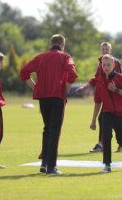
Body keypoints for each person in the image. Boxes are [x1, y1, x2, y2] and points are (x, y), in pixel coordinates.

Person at [20, 34, 77, 175]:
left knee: (47, 129)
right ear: (62, 45)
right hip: (57, 96)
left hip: (43, 98)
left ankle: (45, 162)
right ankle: (51, 167)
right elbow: (72, 74)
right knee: (54, 130)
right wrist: (66, 89)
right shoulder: (65, 56)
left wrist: (35, 87)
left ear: (51, 43)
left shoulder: (40, 57)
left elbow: (24, 72)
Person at [90, 54, 122, 173]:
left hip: (121, 113)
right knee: (106, 137)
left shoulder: (121, 78)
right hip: (107, 113)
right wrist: (93, 121)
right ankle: (107, 165)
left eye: (109, 65)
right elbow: (98, 102)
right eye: (104, 65)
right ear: (101, 66)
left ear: (114, 65)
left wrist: (116, 90)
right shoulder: (100, 82)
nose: (106, 67)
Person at [76, 42, 122, 153]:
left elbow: (119, 78)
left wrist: (116, 92)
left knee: (111, 121)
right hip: (104, 96)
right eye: (103, 49)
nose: (105, 50)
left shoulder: (115, 62)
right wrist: (85, 87)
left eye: (107, 49)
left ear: (111, 50)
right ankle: (103, 144)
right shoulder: (101, 63)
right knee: (103, 119)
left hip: (113, 98)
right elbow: (97, 78)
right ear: (101, 50)